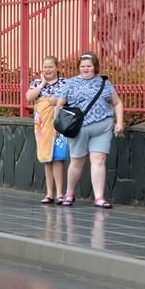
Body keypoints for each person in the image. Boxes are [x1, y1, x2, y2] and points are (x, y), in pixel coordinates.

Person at [55, 52, 124, 208]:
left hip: (102, 126)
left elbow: (117, 103)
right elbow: (59, 105)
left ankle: (99, 197)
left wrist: (119, 122)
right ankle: (69, 193)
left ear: (95, 67)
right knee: (77, 161)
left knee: (99, 160)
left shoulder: (104, 83)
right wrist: (57, 126)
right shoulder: (71, 83)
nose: (86, 69)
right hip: (78, 128)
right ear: (79, 67)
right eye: (83, 66)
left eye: (89, 66)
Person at [25, 56, 68, 205]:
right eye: (45, 67)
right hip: (42, 125)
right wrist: (42, 83)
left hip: (58, 123)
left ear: (57, 67)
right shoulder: (36, 83)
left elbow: (72, 99)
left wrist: (58, 101)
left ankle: (60, 194)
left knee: (58, 158)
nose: (47, 70)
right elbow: (29, 97)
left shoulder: (65, 83)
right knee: (46, 159)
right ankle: (49, 193)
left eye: (50, 67)